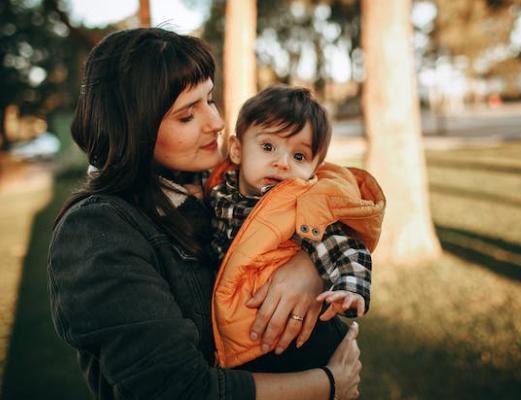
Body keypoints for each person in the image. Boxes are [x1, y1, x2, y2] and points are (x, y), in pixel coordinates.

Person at [48, 27, 361, 400]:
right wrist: (328, 385)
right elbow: (174, 390)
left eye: (210, 99)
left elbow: (331, 189)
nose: (215, 122)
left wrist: (308, 265)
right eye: (187, 115)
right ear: (135, 129)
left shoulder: (214, 179)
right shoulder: (97, 231)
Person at [174, 86, 385, 372]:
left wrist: (351, 290)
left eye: (299, 156)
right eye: (268, 147)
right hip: (250, 333)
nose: (282, 162)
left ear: (314, 168)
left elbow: (345, 247)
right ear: (237, 150)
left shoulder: (300, 205)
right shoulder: (220, 187)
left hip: (295, 338)